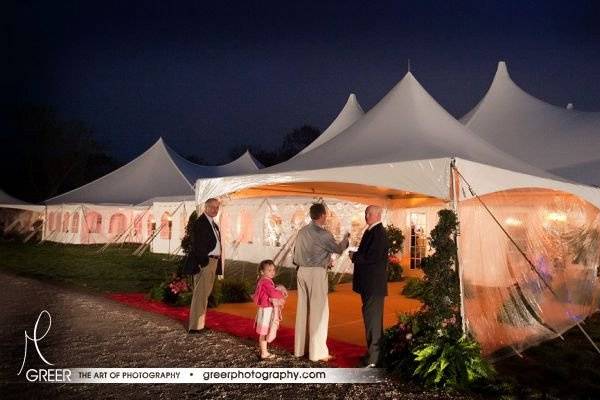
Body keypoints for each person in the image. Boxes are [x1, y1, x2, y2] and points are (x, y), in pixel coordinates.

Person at [293, 203, 349, 362]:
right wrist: (346, 240)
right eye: (327, 215)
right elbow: (338, 249)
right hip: (316, 273)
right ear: (322, 215)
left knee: (303, 310)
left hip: (301, 271)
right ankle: (316, 352)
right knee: (319, 312)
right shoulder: (324, 234)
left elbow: (296, 254)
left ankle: (299, 349)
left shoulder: (302, 232)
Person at [351, 205, 389, 367]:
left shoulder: (378, 233)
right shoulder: (372, 231)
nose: (365, 215)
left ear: (376, 215)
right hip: (370, 285)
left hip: (373, 285)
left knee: (372, 321)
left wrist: (354, 256)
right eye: (366, 213)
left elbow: (371, 257)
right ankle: (374, 355)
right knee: (372, 320)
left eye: (368, 213)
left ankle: (373, 359)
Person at [183, 198, 223, 334]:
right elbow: (198, 246)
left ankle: (200, 323)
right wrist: (202, 262)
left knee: (204, 294)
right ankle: (195, 326)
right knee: (200, 294)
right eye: (212, 207)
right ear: (205, 207)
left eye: (217, 207)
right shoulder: (200, 223)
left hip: (213, 262)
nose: (215, 210)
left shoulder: (213, 224)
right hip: (206, 262)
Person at [252, 259, 287, 359]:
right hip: (266, 310)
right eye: (269, 270)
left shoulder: (265, 280)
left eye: (273, 270)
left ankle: (264, 350)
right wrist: (282, 293)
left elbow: (272, 289)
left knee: (265, 331)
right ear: (262, 272)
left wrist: (278, 288)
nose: (272, 272)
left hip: (266, 309)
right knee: (264, 331)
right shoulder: (265, 281)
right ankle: (264, 353)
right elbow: (272, 293)